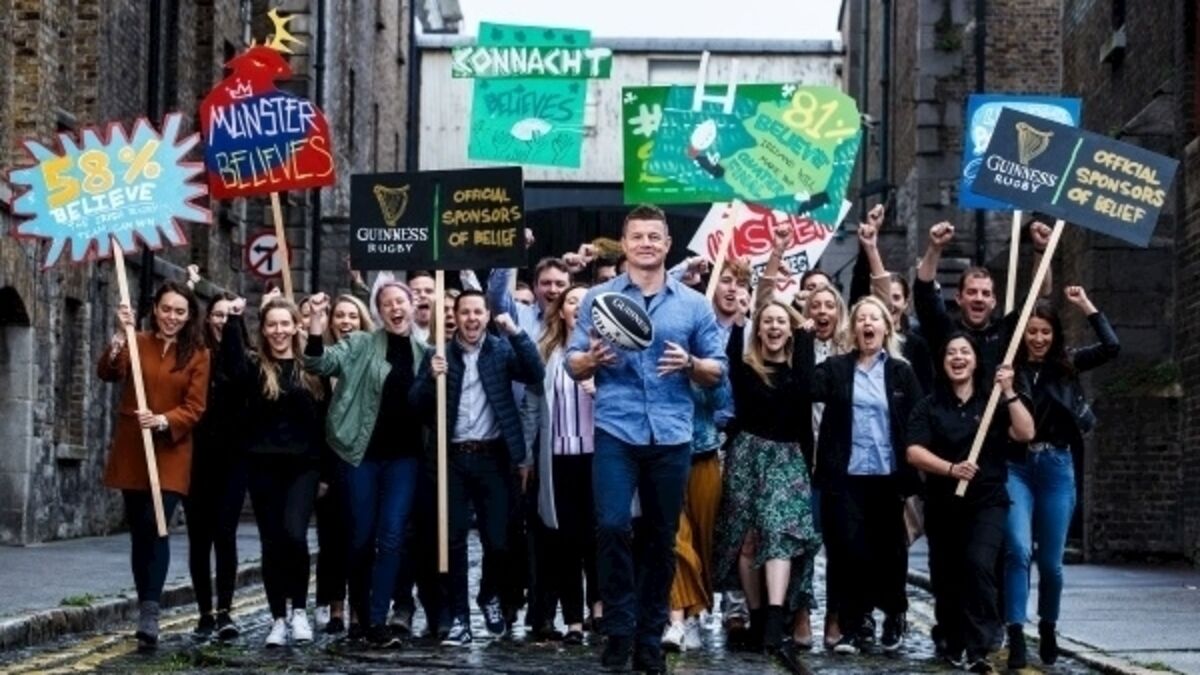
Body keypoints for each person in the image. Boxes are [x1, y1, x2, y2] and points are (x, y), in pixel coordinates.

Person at [567, 204, 727, 674]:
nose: (646, 244)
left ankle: (650, 637)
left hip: (672, 433)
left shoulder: (693, 304)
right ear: (625, 243)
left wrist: (691, 365)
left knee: (661, 538)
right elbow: (573, 362)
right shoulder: (599, 299)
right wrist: (591, 360)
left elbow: (718, 370)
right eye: (637, 236)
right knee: (613, 526)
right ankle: (619, 629)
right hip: (616, 429)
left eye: (654, 236)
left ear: (667, 244)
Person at [411, 290, 544, 647]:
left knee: (498, 541)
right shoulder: (438, 354)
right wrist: (430, 377)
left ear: (487, 316)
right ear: (455, 317)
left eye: (477, 312)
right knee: (452, 541)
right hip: (451, 458)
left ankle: (489, 594)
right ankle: (460, 618)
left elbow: (535, 372)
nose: (471, 319)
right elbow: (416, 405)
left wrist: (517, 333)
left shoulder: (501, 350)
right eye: (465, 312)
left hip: (493, 457)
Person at [303, 284, 431, 647]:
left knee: (391, 536)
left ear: (411, 306)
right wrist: (316, 321)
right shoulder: (360, 343)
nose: (395, 308)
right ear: (378, 312)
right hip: (361, 455)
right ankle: (359, 614)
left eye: (400, 301)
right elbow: (317, 362)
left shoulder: (427, 353)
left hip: (405, 460)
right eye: (387, 303)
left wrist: (439, 374)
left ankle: (376, 621)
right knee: (360, 538)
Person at [1003, 287, 1119, 670]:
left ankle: (1048, 625)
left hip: (1056, 466)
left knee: (1051, 563)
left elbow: (1111, 347)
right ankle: (1015, 633)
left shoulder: (1068, 364)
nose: (1038, 339)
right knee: (1018, 550)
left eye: (1045, 332)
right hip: (1017, 467)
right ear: (1023, 334)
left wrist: (1085, 305)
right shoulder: (1010, 368)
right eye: (1032, 331)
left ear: (1054, 335)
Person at [907, 335, 1035, 673]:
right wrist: (951, 469)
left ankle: (980, 647)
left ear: (976, 361)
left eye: (965, 352)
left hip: (987, 501)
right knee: (946, 576)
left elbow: (1025, 433)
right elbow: (914, 452)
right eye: (951, 352)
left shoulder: (992, 402)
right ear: (942, 362)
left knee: (979, 565)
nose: (958, 357)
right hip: (943, 504)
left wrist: (1009, 391)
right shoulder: (929, 406)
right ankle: (951, 638)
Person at [98, 281, 210, 651]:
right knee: (140, 531)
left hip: (171, 450)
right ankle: (144, 602)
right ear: (155, 309)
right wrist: (120, 334)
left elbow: (195, 408)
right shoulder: (137, 341)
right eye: (166, 309)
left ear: (189, 316)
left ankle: (150, 611)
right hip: (134, 448)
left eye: (180, 311)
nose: (172, 317)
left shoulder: (198, 355)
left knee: (156, 524)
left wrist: (162, 420)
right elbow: (108, 371)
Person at [808, 295, 923, 656]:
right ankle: (855, 623)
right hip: (847, 477)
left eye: (875, 318)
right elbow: (808, 387)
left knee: (890, 552)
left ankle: (894, 613)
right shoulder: (837, 367)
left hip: (888, 477)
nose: (868, 324)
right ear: (853, 329)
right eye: (861, 319)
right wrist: (803, 340)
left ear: (886, 328)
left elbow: (917, 419)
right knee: (850, 551)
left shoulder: (901, 371)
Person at [714, 291, 822, 660]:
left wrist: (805, 338)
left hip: (788, 458)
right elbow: (731, 356)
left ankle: (776, 622)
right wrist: (740, 319)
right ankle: (758, 618)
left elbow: (807, 389)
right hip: (747, 457)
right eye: (768, 322)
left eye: (781, 322)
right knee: (748, 540)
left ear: (789, 331)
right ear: (758, 330)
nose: (774, 327)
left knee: (779, 535)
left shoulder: (799, 369)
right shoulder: (744, 368)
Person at [662, 260, 746, 653]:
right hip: (665, 453)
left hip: (705, 455)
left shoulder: (711, 356)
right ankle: (680, 618)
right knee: (676, 538)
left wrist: (695, 369)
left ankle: (697, 610)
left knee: (705, 537)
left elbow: (722, 402)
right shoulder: (663, 348)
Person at [236, 296, 329, 648]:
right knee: (272, 542)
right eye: (271, 324)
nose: (278, 331)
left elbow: (324, 422)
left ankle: (300, 611)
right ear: (263, 329)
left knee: (295, 535)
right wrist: (233, 319)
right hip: (263, 467)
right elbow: (232, 367)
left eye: (284, 323)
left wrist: (325, 473)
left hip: (303, 467)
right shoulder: (255, 368)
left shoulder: (311, 368)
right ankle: (278, 618)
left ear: (295, 327)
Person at [532, 284, 599, 645]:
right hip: (558, 458)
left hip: (598, 456)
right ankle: (573, 620)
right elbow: (533, 408)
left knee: (600, 535)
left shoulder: (605, 352)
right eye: (572, 301)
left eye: (586, 302)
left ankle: (599, 609)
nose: (579, 306)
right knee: (566, 540)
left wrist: (598, 391)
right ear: (561, 311)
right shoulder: (548, 353)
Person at [186, 290, 250, 641]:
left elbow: (237, 376)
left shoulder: (244, 357)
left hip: (233, 459)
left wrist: (236, 329)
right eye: (219, 315)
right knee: (199, 538)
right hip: (197, 457)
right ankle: (204, 613)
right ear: (208, 318)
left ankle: (225, 611)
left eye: (230, 316)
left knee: (225, 534)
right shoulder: (196, 354)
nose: (224, 321)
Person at [914, 220, 1053, 377]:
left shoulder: (1006, 331)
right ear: (959, 298)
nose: (979, 298)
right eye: (972, 292)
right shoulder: (945, 331)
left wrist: (1041, 250)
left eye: (985, 293)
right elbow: (924, 291)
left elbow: (1039, 294)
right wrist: (935, 248)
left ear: (993, 302)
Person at [312, 294, 375, 635]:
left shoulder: (370, 359)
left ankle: (358, 610)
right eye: (340, 316)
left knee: (360, 538)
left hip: (361, 460)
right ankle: (334, 607)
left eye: (353, 316)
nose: (346, 321)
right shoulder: (322, 362)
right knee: (331, 540)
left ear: (362, 322)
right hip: (328, 463)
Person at [850, 205, 934, 394]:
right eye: (885, 297)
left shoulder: (917, 345)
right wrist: (868, 246)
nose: (890, 304)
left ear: (906, 302)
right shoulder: (860, 338)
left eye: (896, 297)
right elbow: (859, 284)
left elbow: (924, 392)